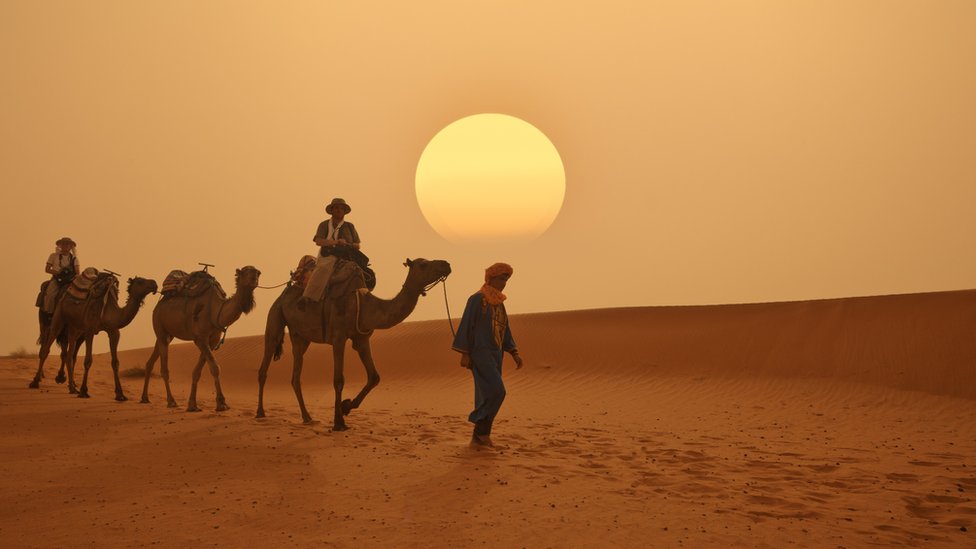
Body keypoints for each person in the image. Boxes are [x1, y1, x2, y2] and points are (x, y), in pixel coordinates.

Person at [452, 262, 524, 447]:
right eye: (501, 279)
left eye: (506, 280)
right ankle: (480, 429)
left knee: (487, 393)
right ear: (491, 278)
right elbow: (467, 325)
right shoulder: (477, 299)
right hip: (480, 353)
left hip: (496, 354)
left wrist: (513, 351)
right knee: (497, 391)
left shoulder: (499, 303)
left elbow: (504, 328)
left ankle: (481, 436)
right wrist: (465, 353)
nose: (504, 283)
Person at [299, 198, 361, 310]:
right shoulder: (324, 225)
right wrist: (335, 242)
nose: (339, 210)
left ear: (344, 211)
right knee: (323, 268)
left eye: (341, 208)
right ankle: (308, 296)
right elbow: (319, 241)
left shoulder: (350, 226)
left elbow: (358, 245)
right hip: (328, 255)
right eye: (336, 208)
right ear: (332, 210)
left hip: (348, 256)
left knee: (363, 273)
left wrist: (348, 244)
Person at [42, 236, 80, 314]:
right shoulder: (53, 256)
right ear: (60, 245)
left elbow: (77, 272)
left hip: (70, 280)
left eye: (67, 244)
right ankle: (49, 313)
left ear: (71, 247)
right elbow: (47, 269)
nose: (65, 246)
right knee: (50, 295)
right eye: (63, 244)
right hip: (57, 279)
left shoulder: (74, 258)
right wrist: (58, 272)